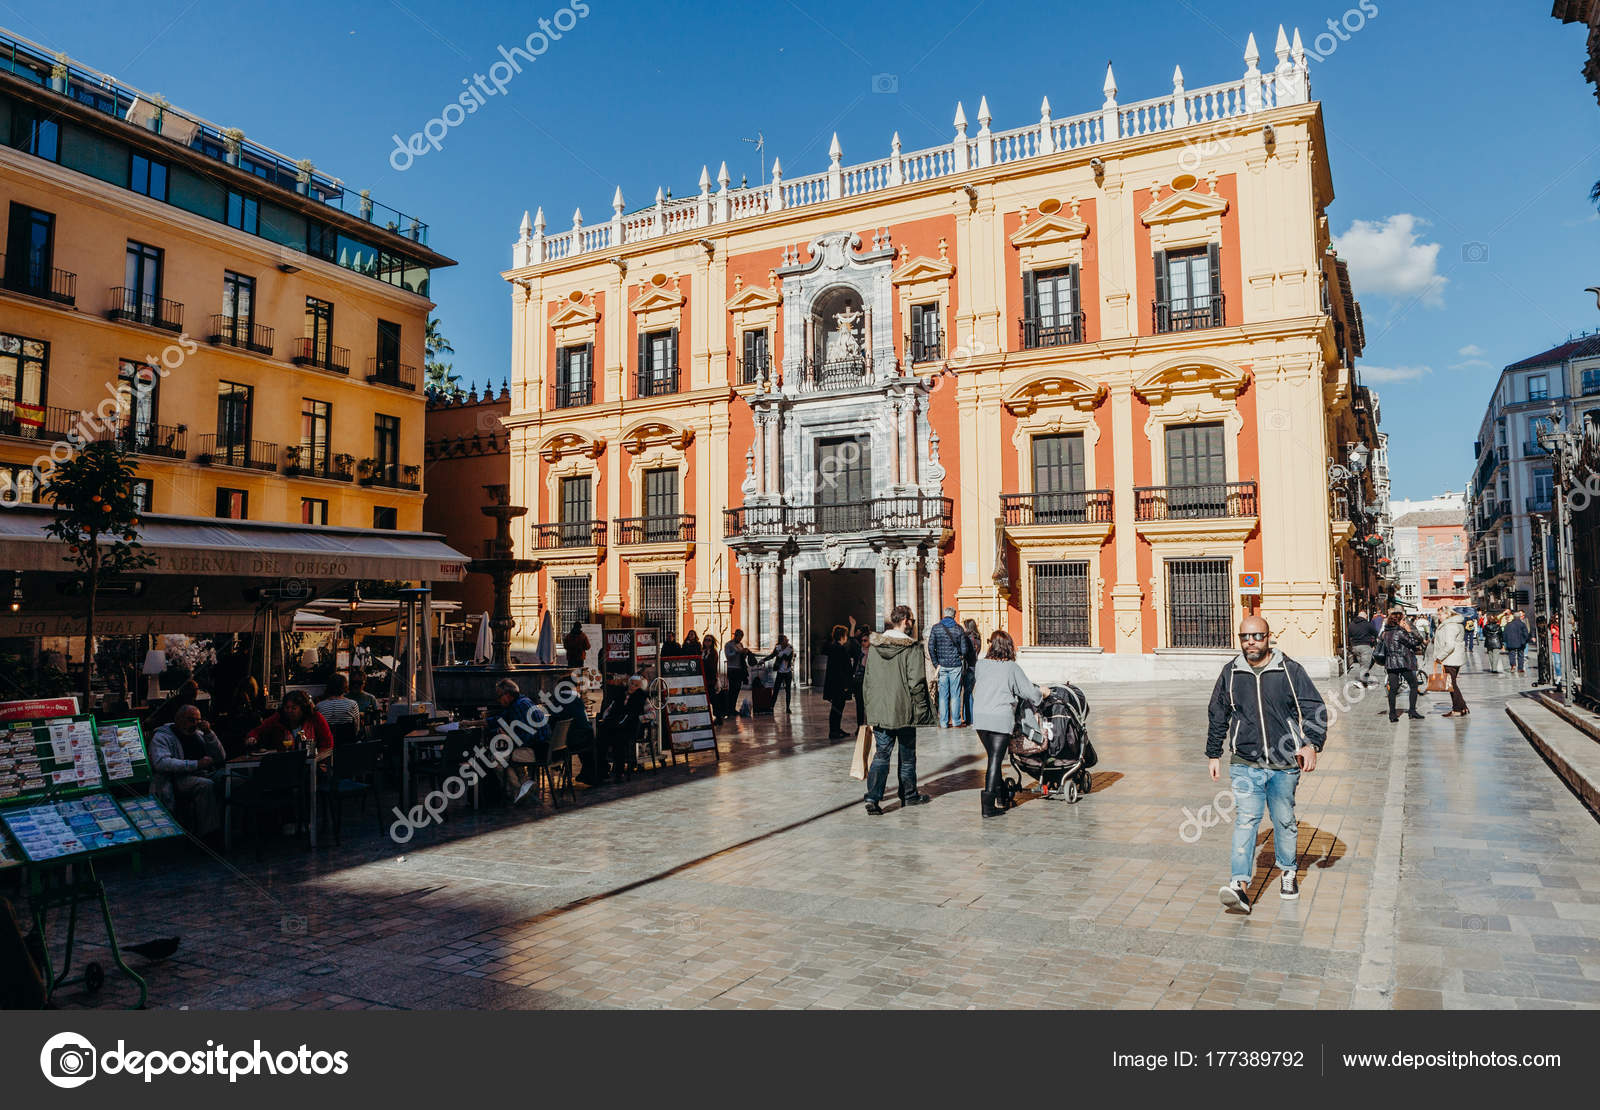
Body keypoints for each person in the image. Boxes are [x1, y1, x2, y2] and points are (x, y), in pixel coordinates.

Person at [1205, 615, 1326, 914]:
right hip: (1245, 762)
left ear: (1269, 637)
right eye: (1245, 637)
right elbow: (1218, 713)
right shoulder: (1231, 672)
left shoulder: (1288, 670)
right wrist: (1213, 753)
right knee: (1246, 820)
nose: (1250, 642)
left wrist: (1312, 744)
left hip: (1284, 764)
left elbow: (1314, 707)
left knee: (1284, 820)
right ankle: (1239, 885)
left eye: (1257, 636)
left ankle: (1288, 872)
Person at [860, 604, 935, 815]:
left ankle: (873, 798)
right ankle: (909, 794)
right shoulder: (911, 648)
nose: (912, 624)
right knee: (907, 755)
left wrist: (870, 707)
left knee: (881, 754)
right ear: (905, 621)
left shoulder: (875, 646)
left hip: (881, 710)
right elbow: (916, 682)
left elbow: (868, 680)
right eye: (911, 620)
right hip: (905, 710)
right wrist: (922, 709)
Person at [971, 631, 1048, 818]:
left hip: (980, 718)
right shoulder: (1012, 667)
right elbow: (1028, 691)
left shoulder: (980, 665)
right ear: (1009, 647)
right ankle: (988, 807)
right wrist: (1043, 693)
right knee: (995, 761)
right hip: (1000, 717)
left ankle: (1001, 796)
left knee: (993, 759)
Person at [149, 704, 228, 840]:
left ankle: (234, 830)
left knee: (232, 780)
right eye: (192, 720)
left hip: (204, 772)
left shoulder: (198, 734)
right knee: (205, 785)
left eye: (198, 720)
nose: (196, 724)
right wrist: (196, 764)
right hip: (179, 778)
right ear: (179, 719)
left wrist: (209, 734)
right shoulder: (162, 736)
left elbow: (221, 757)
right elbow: (161, 763)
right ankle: (209, 835)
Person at [247, 689, 334, 758]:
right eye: (287, 707)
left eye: (293, 708)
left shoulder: (314, 717)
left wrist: (319, 759)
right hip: (284, 762)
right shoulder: (278, 717)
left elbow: (327, 743)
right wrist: (252, 737)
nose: (289, 711)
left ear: (302, 709)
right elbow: (259, 730)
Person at [927, 607, 974, 728]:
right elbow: (964, 649)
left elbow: (931, 647)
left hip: (941, 665)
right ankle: (956, 721)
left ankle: (943, 722)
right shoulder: (959, 629)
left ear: (944, 615)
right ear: (954, 616)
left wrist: (936, 662)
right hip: (955, 666)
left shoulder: (936, 628)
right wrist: (959, 656)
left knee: (943, 694)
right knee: (955, 694)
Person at [596, 675, 649, 777]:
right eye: (631, 683)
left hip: (631, 728)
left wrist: (638, 719)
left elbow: (652, 714)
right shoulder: (621, 695)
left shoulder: (642, 697)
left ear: (640, 687)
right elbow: (609, 710)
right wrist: (608, 719)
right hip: (616, 725)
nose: (632, 686)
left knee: (619, 739)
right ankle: (602, 769)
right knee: (601, 737)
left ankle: (618, 770)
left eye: (636, 685)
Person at [1379, 609, 1426, 722]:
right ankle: (1412, 711)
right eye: (1403, 620)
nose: (1405, 621)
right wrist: (1409, 631)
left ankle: (1392, 714)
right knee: (1413, 685)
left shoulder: (1385, 633)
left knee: (1393, 689)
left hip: (1390, 663)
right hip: (1403, 662)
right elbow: (1415, 642)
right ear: (1399, 621)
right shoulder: (1400, 632)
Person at [1432, 606, 1469, 718]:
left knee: (1451, 685)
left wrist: (1439, 657)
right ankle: (1462, 707)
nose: (1439, 617)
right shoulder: (1456, 624)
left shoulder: (1449, 626)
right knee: (1452, 684)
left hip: (1450, 659)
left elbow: (1449, 645)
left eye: (1440, 614)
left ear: (1447, 614)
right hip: (1454, 658)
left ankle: (1458, 709)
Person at [822, 625, 854, 739]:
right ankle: (834, 731)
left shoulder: (834, 648)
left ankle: (836, 729)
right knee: (837, 708)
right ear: (842, 636)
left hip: (835, 684)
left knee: (837, 708)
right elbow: (842, 669)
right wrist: (845, 685)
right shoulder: (839, 649)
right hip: (839, 685)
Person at [759, 634, 795, 712]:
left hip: (787, 672)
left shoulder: (790, 648)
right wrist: (763, 660)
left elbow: (788, 658)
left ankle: (788, 708)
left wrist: (780, 654)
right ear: (781, 642)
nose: (787, 641)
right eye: (785, 640)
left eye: (786, 640)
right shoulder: (778, 648)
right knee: (776, 690)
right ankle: (771, 707)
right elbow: (772, 655)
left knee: (788, 690)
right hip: (780, 672)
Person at [724, 630, 755, 716]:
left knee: (737, 690)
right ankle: (729, 709)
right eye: (739, 636)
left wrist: (745, 653)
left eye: (741, 637)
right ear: (735, 635)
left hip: (740, 669)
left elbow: (742, 657)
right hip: (732, 669)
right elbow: (728, 656)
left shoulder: (740, 644)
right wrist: (738, 652)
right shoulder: (728, 644)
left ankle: (733, 708)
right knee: (732, 690)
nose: (740, 638)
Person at [1347, 609, 1379, 687]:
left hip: (1355, 647)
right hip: (1365, 647)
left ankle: (1365, 682)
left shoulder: (1351, 624)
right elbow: (1375, 633)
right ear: (1364, 616)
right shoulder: (1367, 624)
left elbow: (1349, 635)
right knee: (1366, 665)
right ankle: (1360, 682)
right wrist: (1374, 641)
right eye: (1366, 616)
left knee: (1362, 664)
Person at [961, 618, 982, 725]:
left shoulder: (968, 638)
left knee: (967, 693)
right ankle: (969, 717)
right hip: (975, 666)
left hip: (968, 667)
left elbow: (966, 653)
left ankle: (969, 718)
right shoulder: (978, 638)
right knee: (969, 692)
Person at [701, 634, 722, 723]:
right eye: (706, 640)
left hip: (710, 679)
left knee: (713, 699)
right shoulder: (703, 652)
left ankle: (718, 716)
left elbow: (711, 666)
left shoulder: (713, 652)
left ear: (712, 642)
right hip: (703, 678)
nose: (707, 642)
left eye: (709, 640)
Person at [1503, 610, 1530, 675]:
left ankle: (1513, 665)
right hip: (1521, 642)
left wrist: (1505, 641)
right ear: (1519, 617)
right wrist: (1525, 640)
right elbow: (1526, 633)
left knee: (1511, 654)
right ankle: (1520, 668)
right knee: (1521, 655)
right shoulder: (1522, 624)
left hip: (1511, 642)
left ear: (1513, 617)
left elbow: (1505, 633)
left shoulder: (1508, 624)